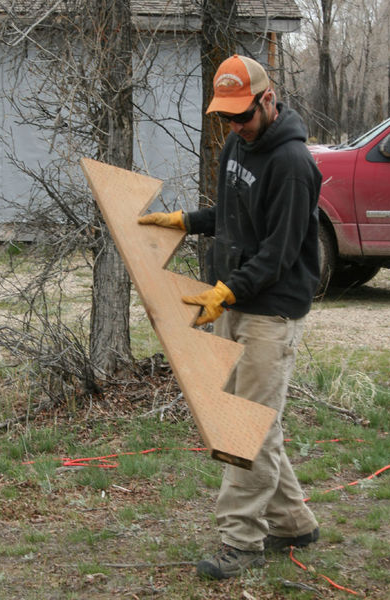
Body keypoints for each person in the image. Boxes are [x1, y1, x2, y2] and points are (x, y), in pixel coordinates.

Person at [138, 54, 322, 580]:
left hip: (271, 312)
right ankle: (293, 522)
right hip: (236, 300)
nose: (235, 126)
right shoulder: (240, 146)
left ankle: (241, 542)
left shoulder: (292, 163)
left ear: (268, 98)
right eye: (226, 117)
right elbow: (232, 214)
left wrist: (225, 291)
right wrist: (186, 221)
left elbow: (280, 251)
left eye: (242, 115)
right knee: (253, 423)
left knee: (245, 430)